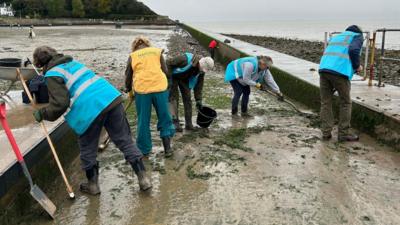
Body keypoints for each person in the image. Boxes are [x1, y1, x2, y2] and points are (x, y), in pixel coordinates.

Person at [31, 46, 152, 195]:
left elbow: (60, 104)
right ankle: (143, 178)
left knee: (88, 146)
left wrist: (42, 113)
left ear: (39, 64)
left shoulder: (52, 74)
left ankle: (93, 185)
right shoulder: (74, 63)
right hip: (110, 98)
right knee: (125, 140)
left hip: (90, 109)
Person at [125, 36, 175, 157]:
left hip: (142, 91)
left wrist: (129, 91)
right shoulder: (157, 52)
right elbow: (165, 71)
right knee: (165, 117)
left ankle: (144, 151)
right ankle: (167, 149)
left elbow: (128, 76)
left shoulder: (133, 56)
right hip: (160, 88)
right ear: (148, 44)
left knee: (143, 121)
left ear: (135, 46)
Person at [319, 25, 364, 142]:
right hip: (340, 72)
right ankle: (343, 133)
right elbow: (354, 50)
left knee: (326, 102)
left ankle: (326, 133)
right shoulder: (358, 36)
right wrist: (357, 66)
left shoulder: (338, 37)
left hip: (324, 69)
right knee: (346, 102)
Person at [167, 53, 214, 131]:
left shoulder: (201, 72)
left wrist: (198, 99)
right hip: (173, 77)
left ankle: (189, 124)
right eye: (201, 69)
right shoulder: (184, 59)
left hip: (184, 79)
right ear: (200, 63)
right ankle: (175, 123)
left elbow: (199, 86)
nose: (201, 71)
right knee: (174, 99)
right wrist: (168, 78)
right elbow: (168, 62)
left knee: (188, 100)